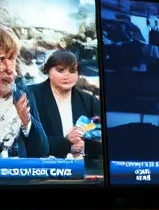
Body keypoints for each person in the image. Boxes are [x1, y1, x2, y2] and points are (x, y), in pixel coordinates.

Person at [29, 50, 97, 159]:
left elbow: (101, 137)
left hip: (82, 169)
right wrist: (66, 144)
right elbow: (27, 139)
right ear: (47, 70)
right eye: (60, 70)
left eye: (72, 71)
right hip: (41, 168)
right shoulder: (30, 95)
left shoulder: (89, 101)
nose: (67, 76)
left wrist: (85, 146)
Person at [0, 26, 49, 159]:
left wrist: (26, 121)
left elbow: (42, 151)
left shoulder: (22, 93)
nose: (10, 69)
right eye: (1, 59)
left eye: (12, 59)